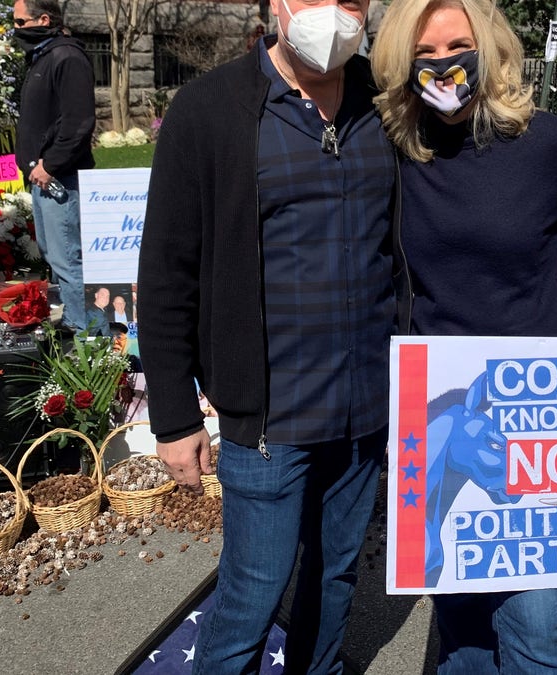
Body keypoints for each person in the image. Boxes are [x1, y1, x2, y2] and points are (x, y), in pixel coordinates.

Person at [137, 0, 399, 669]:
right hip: (268, 416)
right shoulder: (210, 110)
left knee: (336, 576)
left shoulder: (387, 102)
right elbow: (165, 272)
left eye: (349, 0)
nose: (333, 13)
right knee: (252, 591)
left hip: (366, 408)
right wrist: (173, 417)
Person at [370, 0, 557, 671]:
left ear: (490, 47)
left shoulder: (547, 142)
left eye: (457, 44)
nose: (443, 64)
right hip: (438, 400)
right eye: (424, 54)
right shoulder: (394, 149)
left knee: (536, 624)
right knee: (461, 616)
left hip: (537, 404)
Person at [12, 0, 96, 332]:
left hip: (60, 177)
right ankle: (77, 320)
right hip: (43, 176)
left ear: (44, 19)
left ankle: (86, 331)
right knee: (54, 254)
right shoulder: (44, 56)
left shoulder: (67, 57)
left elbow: (78, 121)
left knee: (68, 257)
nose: (15, 29)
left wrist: (51, 163)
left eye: (21, 22)